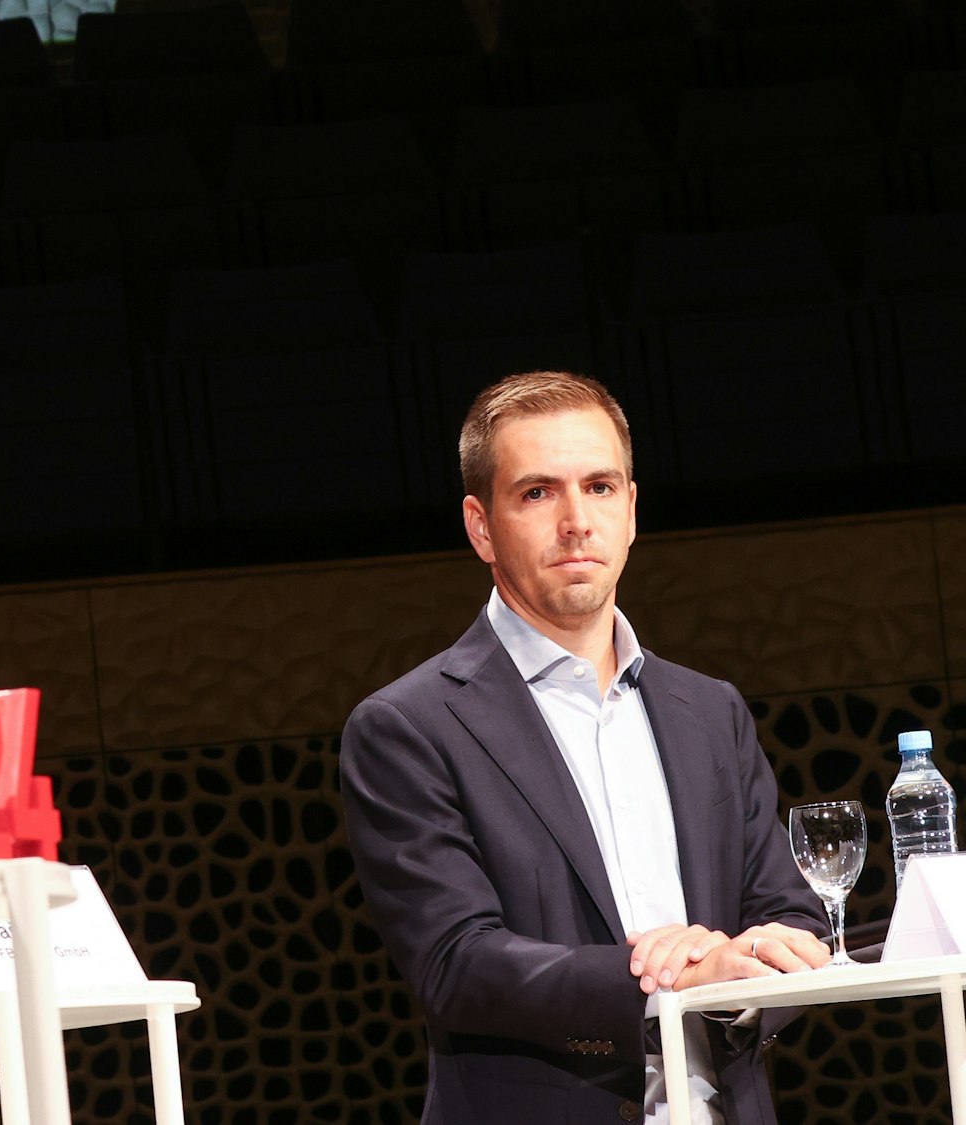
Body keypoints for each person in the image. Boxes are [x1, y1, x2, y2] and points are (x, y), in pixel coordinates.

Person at [339, 371, 831, 1125]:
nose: (576, 520)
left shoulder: (710, 709)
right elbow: (456, 961)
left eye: (600, 486)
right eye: (538, 492)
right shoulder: (408, 726)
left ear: (631, 510)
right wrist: (666, 979)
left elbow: (789, 913)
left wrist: (753, 969)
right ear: (481, 526)